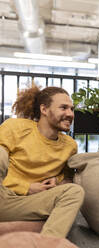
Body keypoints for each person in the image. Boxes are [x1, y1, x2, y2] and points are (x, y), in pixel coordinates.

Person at [0, 85, 84, 238]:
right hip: (3, 194)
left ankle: (47, 243)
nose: (70, 114)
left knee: (74, 191)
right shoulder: (15, 127)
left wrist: (57, 184)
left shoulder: (70, 146)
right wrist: (27, 187)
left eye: (72, 109)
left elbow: (66, 179)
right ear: (44, 109)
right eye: (63, 108)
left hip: (26, 204)